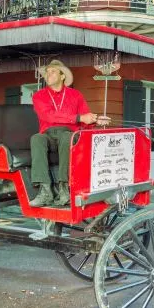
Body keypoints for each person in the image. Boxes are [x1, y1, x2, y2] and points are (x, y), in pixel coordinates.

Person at [29, 59, 110, 207]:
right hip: (48, 134)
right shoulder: (39, 96)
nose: (48, 75)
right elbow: (48, 116)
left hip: (69, 134)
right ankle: (45, 190)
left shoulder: (75, 95)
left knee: (67, 137)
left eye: (52, 71)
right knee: (36, 138)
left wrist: (95, 120)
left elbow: (85, 117)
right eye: (46, 72)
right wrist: (78, 118)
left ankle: (64, 188)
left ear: (62, 76)